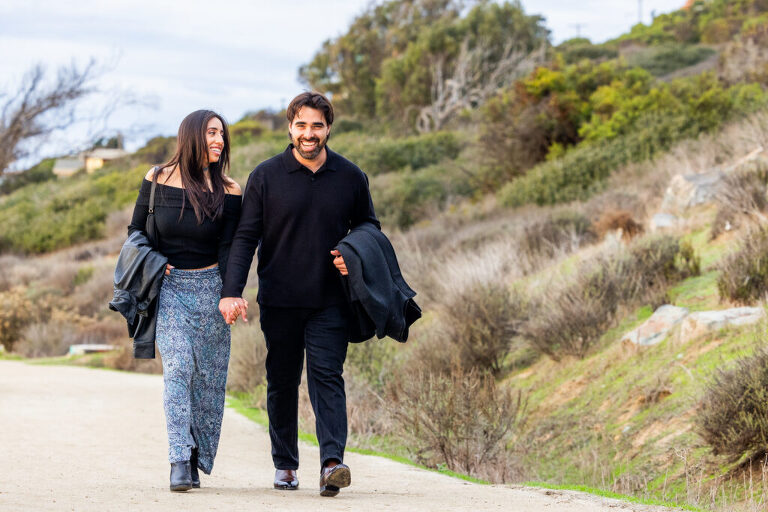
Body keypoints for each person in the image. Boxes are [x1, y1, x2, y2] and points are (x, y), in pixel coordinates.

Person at [218, 92, 379, 497]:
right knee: (282, 381)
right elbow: (246, 238)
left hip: (330, 300)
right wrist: (232, 291)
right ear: (290, 127)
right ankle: (286, 465)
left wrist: (353, 255)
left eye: (317, 126)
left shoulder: (350, 176)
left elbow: (369, 228)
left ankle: (331, 463)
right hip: (280, 298)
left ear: (328, 129)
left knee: (327, 376)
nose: (309, 134)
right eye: (302, 125)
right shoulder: (267, 176)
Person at [127, 109, 242, 492]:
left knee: (208, 381)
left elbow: (230, 247)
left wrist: (231, 294)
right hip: (170, 288)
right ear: (192, 135)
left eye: (222, 135)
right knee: (178, 370)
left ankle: (195, 458)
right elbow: (135, 231)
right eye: (211, 133)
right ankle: (178, 458)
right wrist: (156, 264)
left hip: (211, 288)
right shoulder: (157, 178)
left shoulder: (229, 189)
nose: (219, 141)